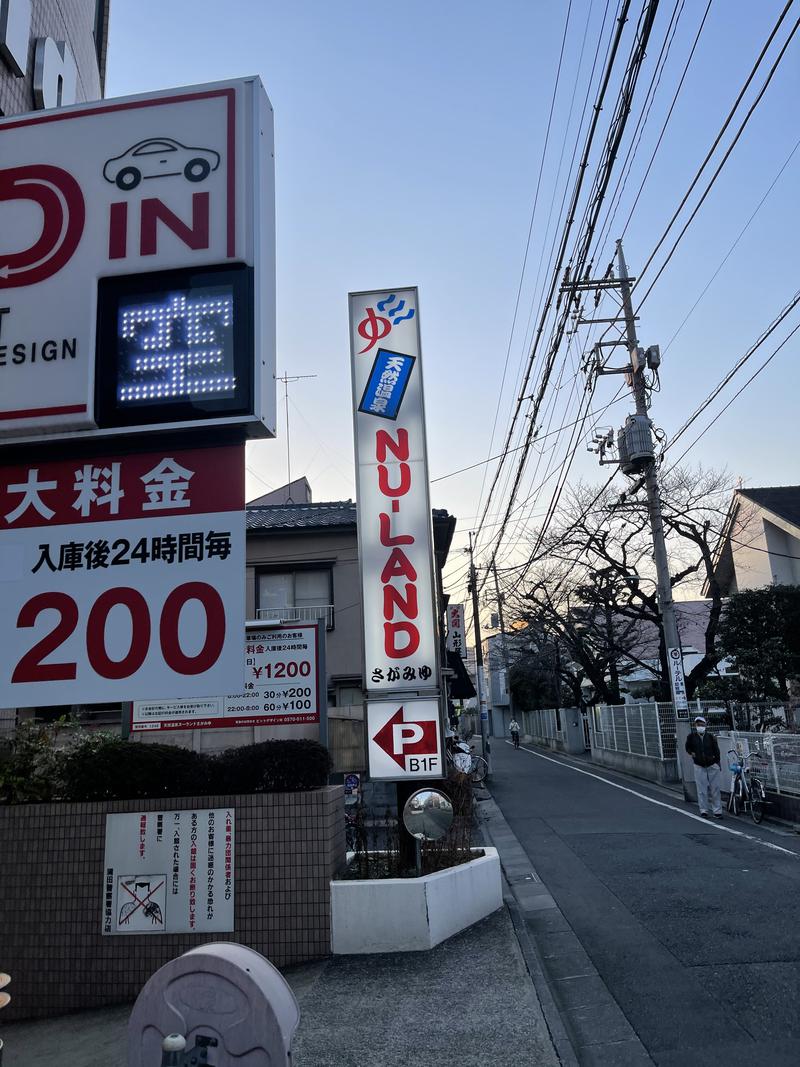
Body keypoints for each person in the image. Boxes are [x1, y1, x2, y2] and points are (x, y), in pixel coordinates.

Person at [685, 715, 723, 819]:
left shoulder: (710, 737)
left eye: (702, 724)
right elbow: (687, 747)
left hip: (712, 764)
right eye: (698, 724)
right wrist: (691, 753)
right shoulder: (691, 737)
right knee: (701, 789)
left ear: (705, 725)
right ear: (695, 725)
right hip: (699, 764)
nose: (700, 726)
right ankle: (704, 810)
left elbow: (716, 750)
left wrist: (718, 762)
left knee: (715, 788)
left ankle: (717, 811)